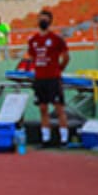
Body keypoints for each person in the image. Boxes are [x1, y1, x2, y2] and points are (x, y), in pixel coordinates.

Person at [26, 8, 71, 147]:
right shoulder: (33, 40)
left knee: (59, 108)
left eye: (45, 19)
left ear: (50, 21)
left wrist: (59, 69)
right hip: (40, 79)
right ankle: (45, 139)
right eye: (40, 18)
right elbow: (32, 57)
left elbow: (66, 56)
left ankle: (64, 139)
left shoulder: (56, 39)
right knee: (43, 109)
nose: (42, 21)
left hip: (53, 78)